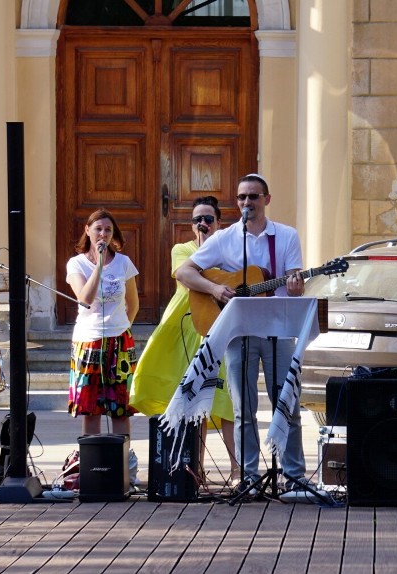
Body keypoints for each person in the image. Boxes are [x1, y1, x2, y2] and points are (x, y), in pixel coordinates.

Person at [175, 174, 309, 495]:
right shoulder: (226, 238)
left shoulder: (286, 236)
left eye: (253, 197)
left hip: (277, 329)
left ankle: (294, 477)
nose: (246, 203)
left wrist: (296, 284)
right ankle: (248, 477)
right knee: (242, 408)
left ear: (267, 199)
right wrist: (216, 289)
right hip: (238, 332)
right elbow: (184, 272)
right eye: (241, 197)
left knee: (286, 402)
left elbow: (295, 283)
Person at [130, 196, 239, 481]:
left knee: (225, 396)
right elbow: (185, 276)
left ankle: (238, 468)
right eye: (197, 220)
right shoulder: (183, 249)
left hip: (220, 324)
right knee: (195, 396)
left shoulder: (230, 250)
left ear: (219, 222)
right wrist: (207, 257)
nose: (202, 223)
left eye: (208, 219)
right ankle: (196, 469)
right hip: (186, 324)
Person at [66, 208, 139, 452]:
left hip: (119, 341)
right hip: (89, 340)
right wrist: (98, 265)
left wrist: (122, 327)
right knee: (91, 408)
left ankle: (124, 463)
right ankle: (92, 464)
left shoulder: (124, 262)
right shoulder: (76, 264)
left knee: (120, 407)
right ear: (87, 231)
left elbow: (134, 303)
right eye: (98, 229)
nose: (103, 234)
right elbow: (84, 298)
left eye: (108, 230)